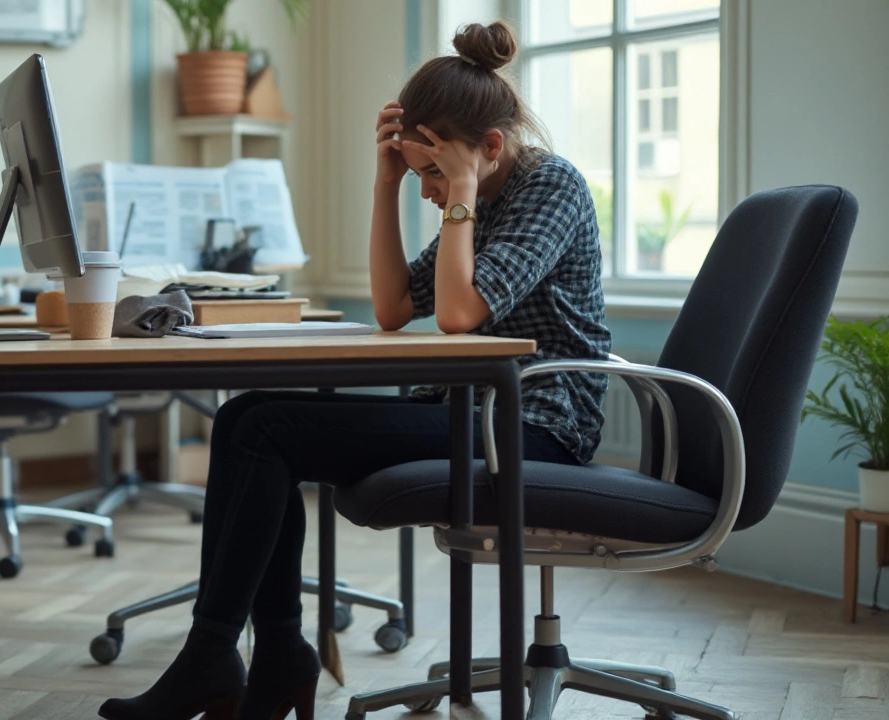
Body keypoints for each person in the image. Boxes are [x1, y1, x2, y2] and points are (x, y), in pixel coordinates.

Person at [99, 20, 611, 720]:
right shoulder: (482, 201)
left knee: (265, 428)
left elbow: (459, 315)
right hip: (475, 411)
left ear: (490, 147)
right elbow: (396, 305)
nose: (426, 192)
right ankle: (268, 651)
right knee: (247, 415)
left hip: (535, 424)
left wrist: (456, 190)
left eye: (433, 173)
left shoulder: (548, 186)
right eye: (420, 176)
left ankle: (223, 656)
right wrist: (385, 184)